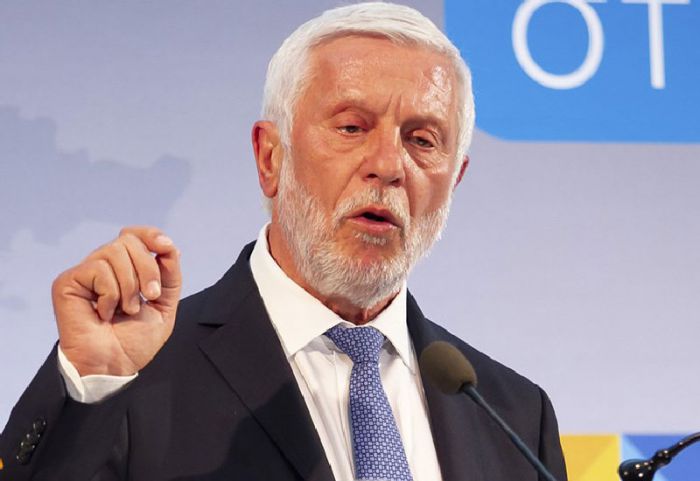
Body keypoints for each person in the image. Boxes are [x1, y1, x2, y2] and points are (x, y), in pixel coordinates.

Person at [0, 3, 568, 480]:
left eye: (422, 140)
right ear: (271, 158)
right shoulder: (137, 376)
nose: (389, 165)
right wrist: (92, 388)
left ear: (454, 179)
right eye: (351, 127)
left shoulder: (516, 417)